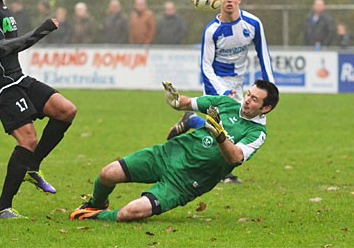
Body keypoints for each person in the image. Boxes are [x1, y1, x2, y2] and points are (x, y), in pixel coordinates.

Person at [70, 80, 279, 222]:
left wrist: (220, 136)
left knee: (130, 212)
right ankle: (94, 205)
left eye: (254, 99)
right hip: (167, 155)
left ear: (265, 108)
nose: (247, 100)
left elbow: (235, 157)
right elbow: (190, 102)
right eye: (248, 94)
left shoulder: (257, 133)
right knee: (107, 174)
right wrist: (177, 101)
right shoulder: (227, 103)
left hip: (185, 183)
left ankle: (95, 217)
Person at [0, 0, 77, 219]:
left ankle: (32, 166)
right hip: (1, 85)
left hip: (18, 78)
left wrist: (38, 34)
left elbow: (15, 45)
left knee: (66, 110)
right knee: (28, 140)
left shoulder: (3, 8)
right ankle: (3, 208)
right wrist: (41, 31)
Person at [166, 0, 275, 184]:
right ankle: (225, 172)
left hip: (239, 84)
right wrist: (222, 92)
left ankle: (191, 120)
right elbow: (206, 66)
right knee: (224, 128)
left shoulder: (253, 24)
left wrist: (271, 86)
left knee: (226, 127)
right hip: (216, 84)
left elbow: (264, 54)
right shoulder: (212, 30)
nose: (230, 0)